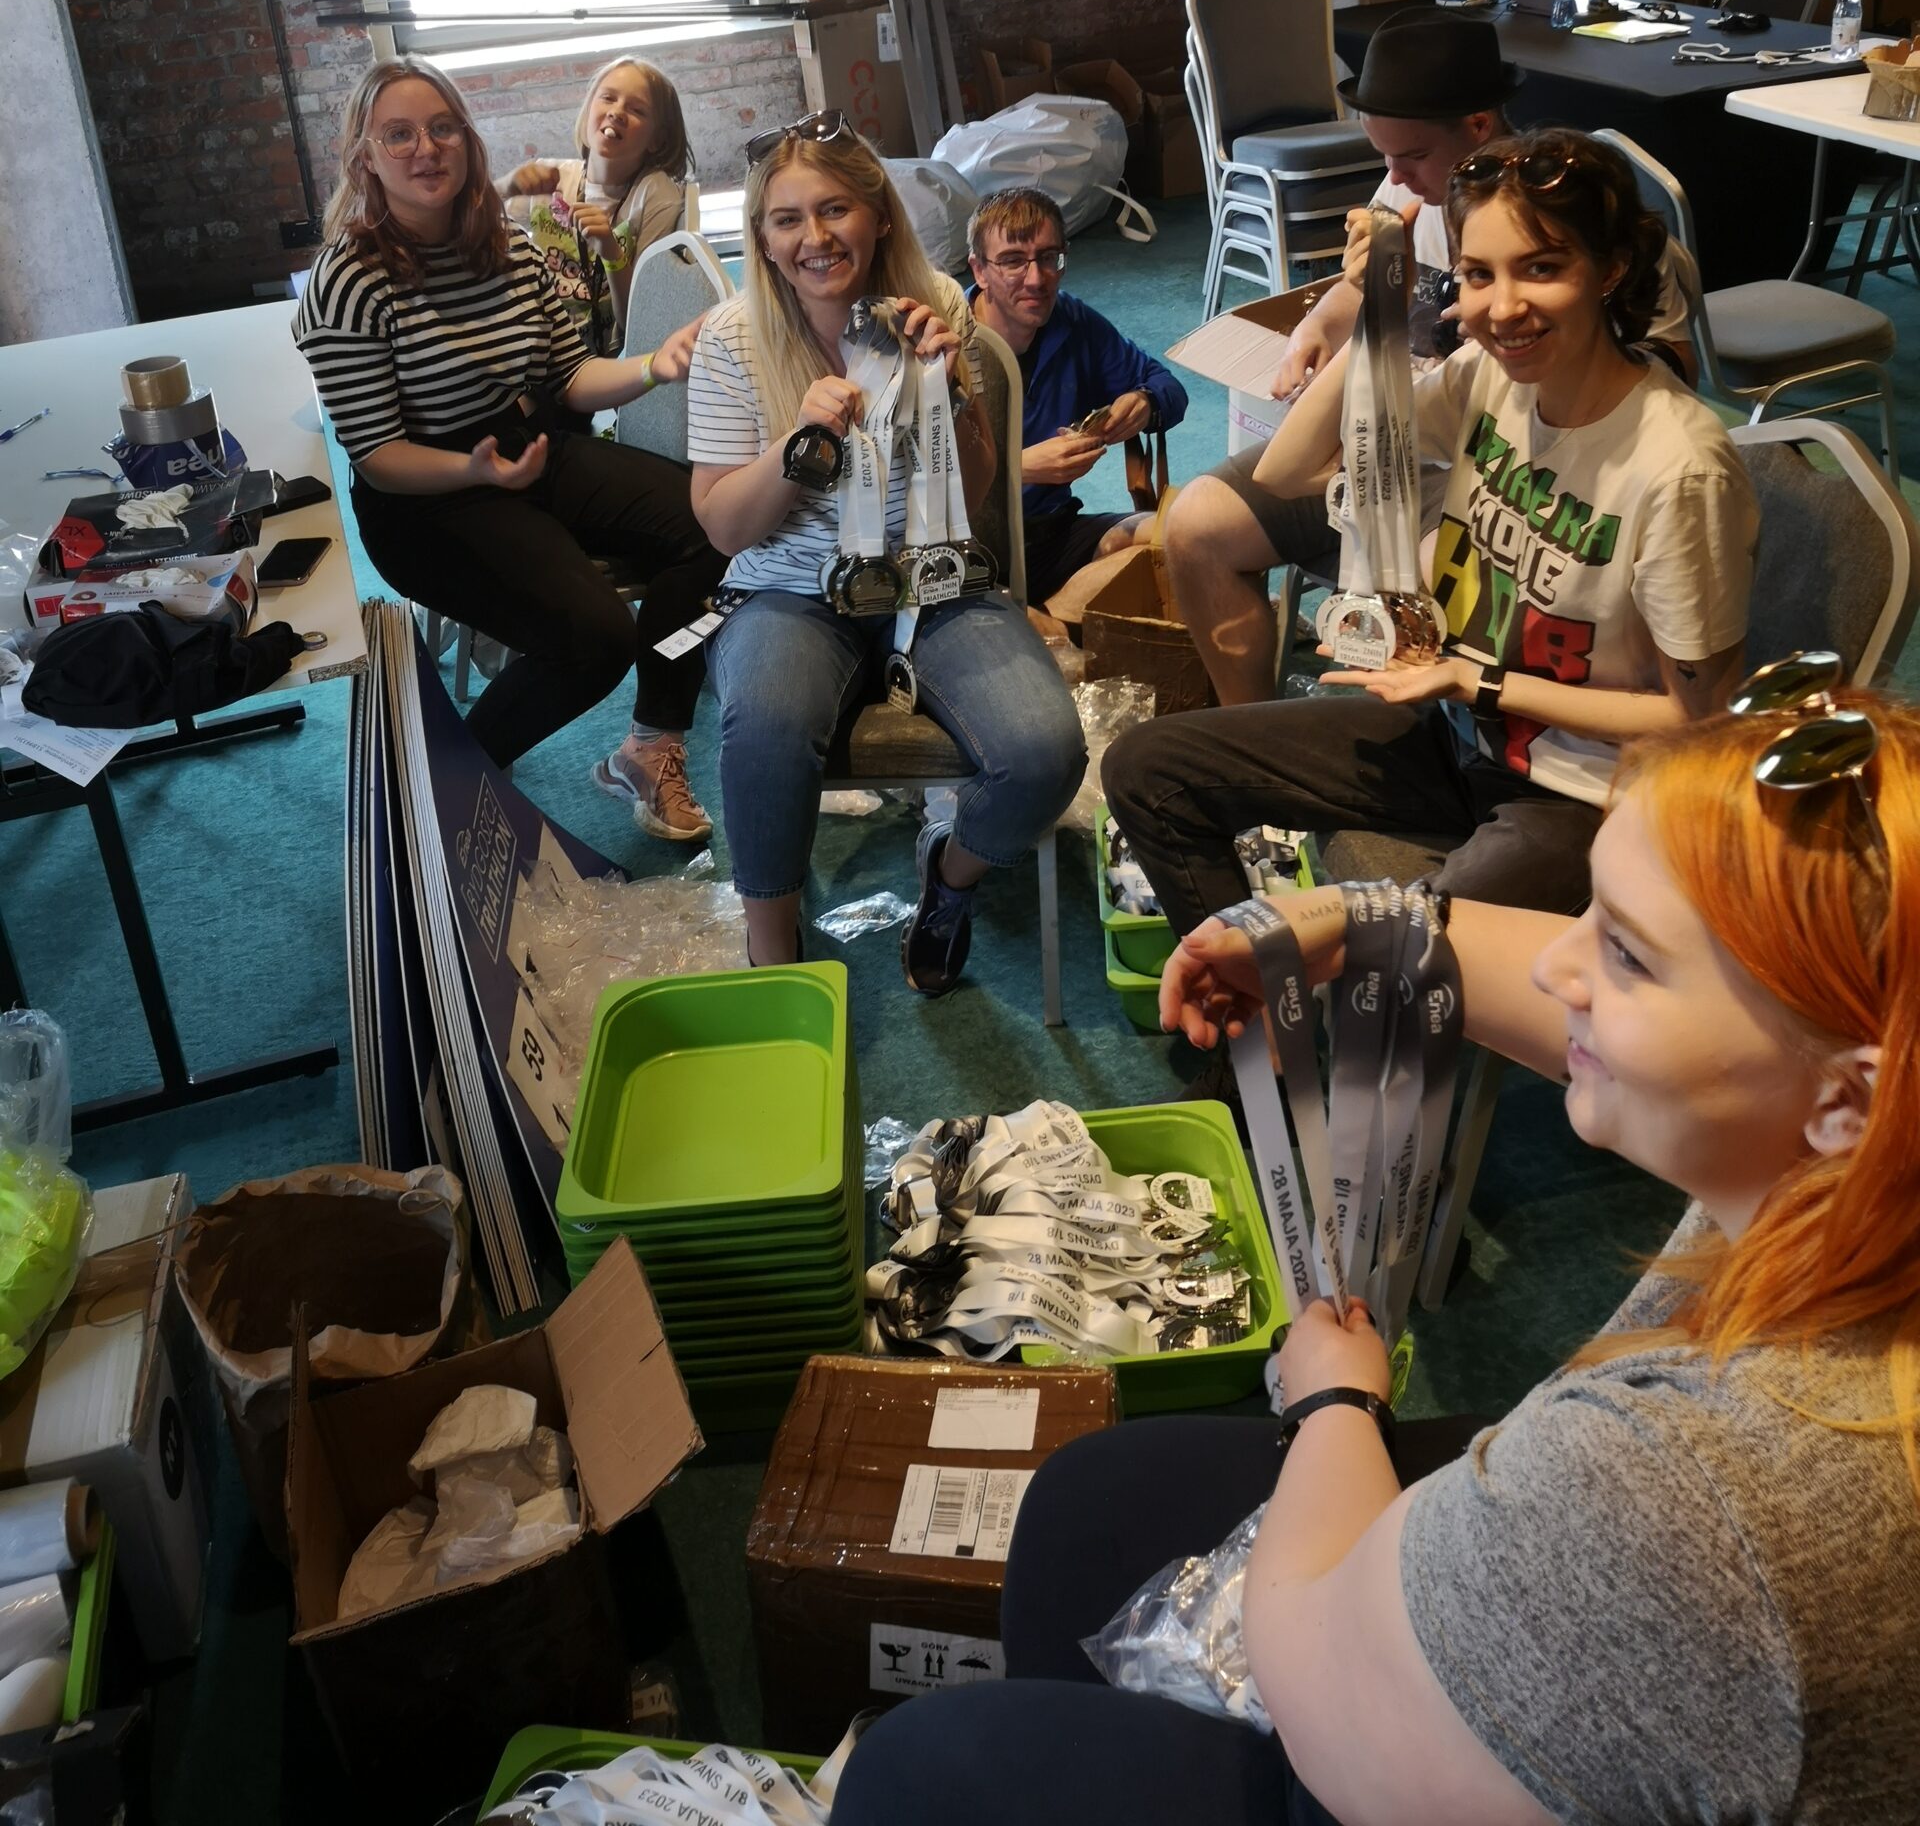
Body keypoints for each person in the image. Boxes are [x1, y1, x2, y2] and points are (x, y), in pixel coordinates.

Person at [831, 668, 1920, 1825]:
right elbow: (1570, 990)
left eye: (1630, 957)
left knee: (921, 1772)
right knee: (1084, 1505)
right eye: (1590, 915)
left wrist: (1334, 1402)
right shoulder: (1850, 1166)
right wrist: (1369, 926)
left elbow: (1320, 1683)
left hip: (1366, 1715)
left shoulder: (1687, 1498)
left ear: (1847, 1097)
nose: (1560, 967)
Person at [1105, 131, 1756, 923]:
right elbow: (1289, 469)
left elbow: (1697, 720)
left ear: (1610, 270)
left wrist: (1478, 682)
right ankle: (1255, 996)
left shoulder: (1681, 468)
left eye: (1541, 268)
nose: (1502, 308)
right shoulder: (1490, 377)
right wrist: (1377, 312)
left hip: (1581, 794)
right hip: (1455, 732)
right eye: (1479, 275)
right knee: (1147, 769)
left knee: (1400, 958)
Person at [1167, 12, 1695, 706]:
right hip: (1405, 433)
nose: (1394, 178)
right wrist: (1332, 319)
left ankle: (1430, 735)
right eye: (1476, 276)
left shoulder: (1582, 235)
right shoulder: (1404, 193)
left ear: (1478, 125)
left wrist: (1509, 356)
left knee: (1427, 586)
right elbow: (1346, 317)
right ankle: (1252, 724)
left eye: (1411, 157)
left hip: (1495, 470)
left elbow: (1666, 376)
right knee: (1197, 522)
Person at [686, 116, 1085, 992]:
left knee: (1045, 754)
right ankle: (773, 956)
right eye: (788, 219)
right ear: (762, 237)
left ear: (878, 216)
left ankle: (949, 877)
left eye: (835, 210)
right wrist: (797, 444)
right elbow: (723, 528)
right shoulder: (730, 336)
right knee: (765, 732)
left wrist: (955, 395)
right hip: (791, 591)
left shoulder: (934, 301)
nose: (815, 237)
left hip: (932, 578)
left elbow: (975, 488)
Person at [293, 56, 723, 836]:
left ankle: (651, 743)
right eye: (399, 135)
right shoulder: (347, 281)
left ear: (468, 140)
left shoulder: (510, 247)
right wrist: (472, 468)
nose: (427, 148)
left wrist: (652, 367)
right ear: (365, 158)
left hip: (525, 448)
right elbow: (378, 457)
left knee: (717, 523)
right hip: (424, 500)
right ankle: (456, 777)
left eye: (442, 128)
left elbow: (568, 376)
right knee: (596, 639)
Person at [965, 187, 1190, 604]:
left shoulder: (1072, 322)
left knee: (1188, 530)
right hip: (968, 550)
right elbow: (912, 484)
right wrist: (1016, 470)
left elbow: (1168, 387)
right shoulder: (945, 342)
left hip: (1054, 532)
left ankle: (1047, 612)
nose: (1037, 279)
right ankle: (1042, 614)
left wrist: (1144, 404)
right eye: (1013, 261)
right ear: (979, 271)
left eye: (1049, 258)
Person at [500, 57, 689, 347]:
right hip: (542, 351)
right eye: (608, 98)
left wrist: (612, 253)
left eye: (637, 110)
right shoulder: (551, 177)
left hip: (613, 360)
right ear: (589, 110)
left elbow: (639, 324)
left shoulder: (655, 193)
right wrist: (505, 186)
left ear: (657, 139)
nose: (617, 112)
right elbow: (465, 219)